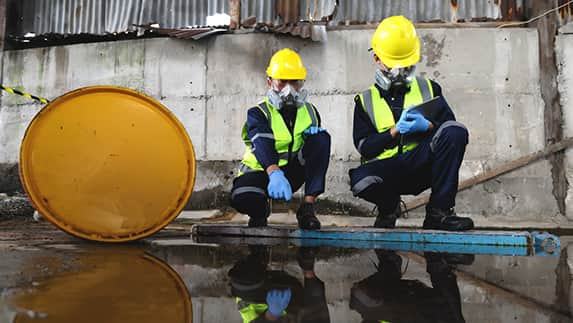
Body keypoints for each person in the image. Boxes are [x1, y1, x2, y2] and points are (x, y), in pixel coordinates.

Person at [349, 15, 474, 231]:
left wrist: (428, 126)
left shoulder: (429, 88)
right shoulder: (365, 100)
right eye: (392, 63)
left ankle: (439, 212)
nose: (398, 70)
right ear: (377, 58)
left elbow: (451, 132)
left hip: (422, 164)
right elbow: (365, 148)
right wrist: (394, 132)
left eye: (404, 64)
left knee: (456, 131)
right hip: (388, 171)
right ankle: (389, 207)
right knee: (359, 180)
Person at [231, 48, 331, 230]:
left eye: (294, 82)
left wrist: (313, 141)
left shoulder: (310, 112)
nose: (289, 89)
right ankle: (260, 212)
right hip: (261, 172)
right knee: (243, 197)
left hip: (292, 173)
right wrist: (274, 172)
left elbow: (315, 153)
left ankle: (307, 208)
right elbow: (262, 143)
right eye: (282, 82)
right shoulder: (258, 113)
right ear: (269, 82)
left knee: (321, 139)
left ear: (302, 83)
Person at [350, 249, 472, 323]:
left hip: (397, 302)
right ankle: (440, 268)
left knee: (367, 298)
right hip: (407, 302)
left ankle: (390, 263)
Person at [228, 245, 330, 323]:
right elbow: (318, 314)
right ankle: (306, 260)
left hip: (256, 298)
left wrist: (272, 314)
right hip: (290, 296)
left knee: (244, 285)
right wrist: (308, 270)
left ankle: (258, 252)